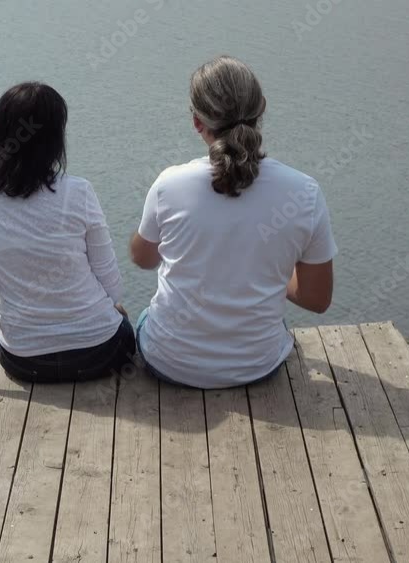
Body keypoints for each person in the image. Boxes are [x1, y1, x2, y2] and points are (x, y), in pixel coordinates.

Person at [130, 55, 336, 389]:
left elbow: (143, 258)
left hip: (170, 362)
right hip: (257, 365)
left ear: (197, 121)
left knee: (142, 319)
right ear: (262, 108)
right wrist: (265, 277)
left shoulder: (170, 184)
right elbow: (317, 299)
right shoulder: (305, 192)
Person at [0, 82, 135, 404]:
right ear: (54, 140)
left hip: (25, 362)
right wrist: (110, 311)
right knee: (122, 317)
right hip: (101, 354)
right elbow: (112, 287)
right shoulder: (79, 192)